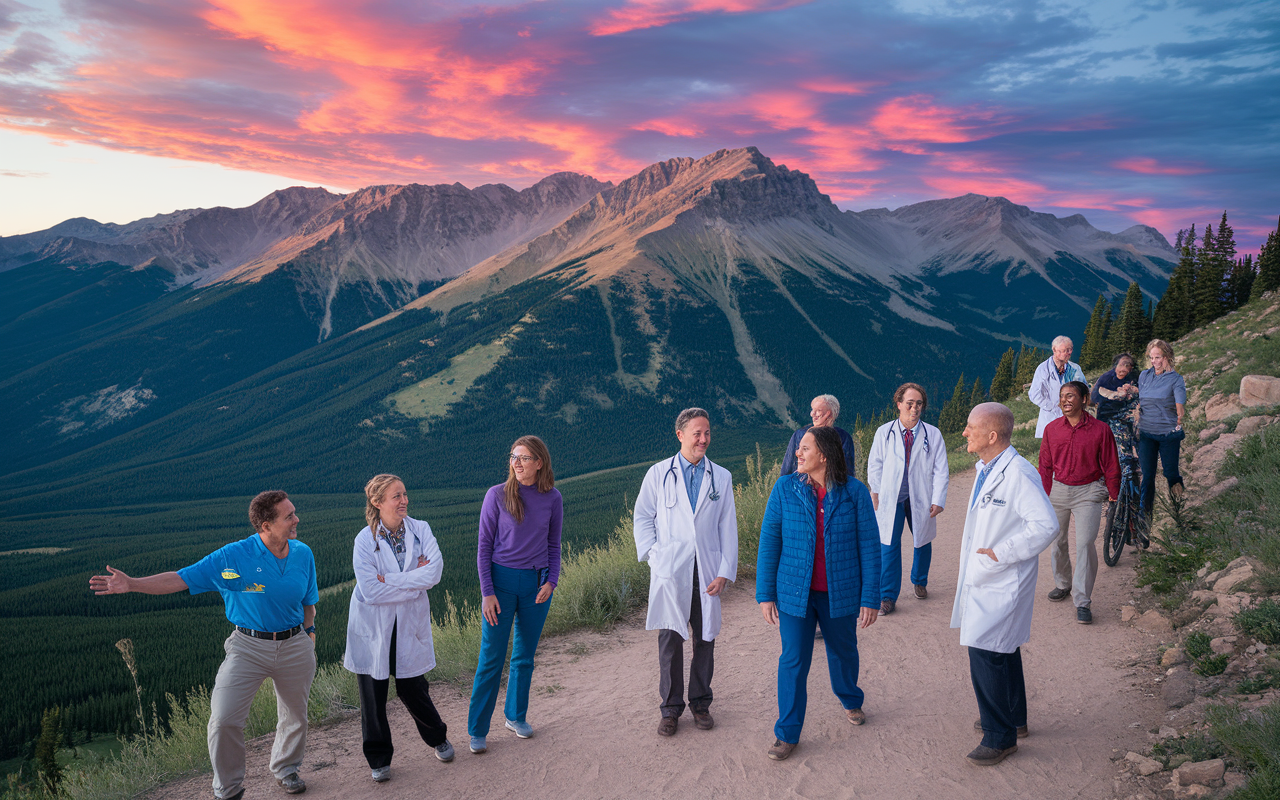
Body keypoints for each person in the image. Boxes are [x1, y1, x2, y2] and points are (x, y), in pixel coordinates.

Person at [90, 491, 318, 799]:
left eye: (294, 513)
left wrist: (310, 634)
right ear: (266, 525)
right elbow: (181, 578)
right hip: (247, 646)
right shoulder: (231, 557)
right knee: (223, 719)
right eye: (289, 516)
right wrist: (132, 584)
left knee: (295, 714)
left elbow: (308, 602)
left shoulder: (303, 553)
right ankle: (229, 788)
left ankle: (286, 769)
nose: (296, 520)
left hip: (294, 644)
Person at [757, 426, 881, 761]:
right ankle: (787, 733)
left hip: (839, 592)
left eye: (805, 448)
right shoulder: (784, 489)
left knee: (843, 651)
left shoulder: (855, 492)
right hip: (795, 593)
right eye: (799, 448)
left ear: (824, 455)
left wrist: (871, 596)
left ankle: (850, 698)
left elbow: (870, 547)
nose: (797, 453)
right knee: (793, 660)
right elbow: (770, 542)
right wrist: (765, 594)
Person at [951, 404, 1058, 767]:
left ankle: (999, 736)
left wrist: (1000, 553)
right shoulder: (987, 468)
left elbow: (1045, 525)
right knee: (1003, 648)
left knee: (985, 651)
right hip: (988, 576)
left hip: (1001, 576)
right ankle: (1015, 717)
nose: (964, 433)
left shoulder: (1018, 475)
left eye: (970, 428)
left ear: (992, 436)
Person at [633, 407, 739, 736]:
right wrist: (655, 557)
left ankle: (701, 703)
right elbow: (642, 517)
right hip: (672, 571)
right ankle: (670, 709)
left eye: (707, 433)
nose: (703, 439)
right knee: (670, 639)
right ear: (680, 435)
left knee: (705, 637)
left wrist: (724, 571)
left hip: (706, 570)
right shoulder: (658, 474)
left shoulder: (720, 477)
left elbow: (727, 527)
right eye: (697, 433)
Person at [344, 474, 452, 783]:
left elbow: (435, 572)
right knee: (372, 696)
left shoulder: (421, 529)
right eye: (396, 496)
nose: (404, 500)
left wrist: (390, 580)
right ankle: (378, 759)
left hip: (406, 624)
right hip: (373, 628)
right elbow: (369, 591)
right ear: (377, 503)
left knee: (413, 688)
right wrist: (413, 584)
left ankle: (438, 738)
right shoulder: (364, 540)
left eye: (404, 494)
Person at [467, 436, 563, 755]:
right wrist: (487, 592)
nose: (517, 463)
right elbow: (483, 547)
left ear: (539, 462)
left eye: (524, 457)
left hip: (537, 586)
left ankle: (515, 717)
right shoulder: (496, 495)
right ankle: (478, 730)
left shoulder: (553, 498)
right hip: (501, 583)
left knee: (524, 657)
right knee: (491, 657)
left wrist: (552, 582)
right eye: (513, 457)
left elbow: (553, 544)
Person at [1038, 382, 1121, 624]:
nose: (1065, 400)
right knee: (1058, 540)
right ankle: (1063, 584)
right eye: (1062, 396)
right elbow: (1045, 465)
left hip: (1089, 491)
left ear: (1084, 399)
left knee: (1084, 543)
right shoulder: (1052, 429)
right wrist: (1043, 495)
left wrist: (1113, 495)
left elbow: (1111, 465)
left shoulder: (1100, 430)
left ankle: (1082, 600)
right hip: (1059, 490)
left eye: (1071, 396)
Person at [867, 383, 949, 614]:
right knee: (888, 545)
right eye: (910, 403)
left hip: (920, 497)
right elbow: (875, 464)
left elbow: (941, 470)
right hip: (891, 498)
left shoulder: (932, 434)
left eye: (919, 404)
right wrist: (875, 491)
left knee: (922, 541)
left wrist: (938, 498)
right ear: (899, 404)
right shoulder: (885, 432)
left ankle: (919, 580)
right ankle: (887, 596)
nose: (914, 409)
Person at [1093, 353, 1147, 549]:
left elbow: (1146, 398)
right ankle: (1114, 508)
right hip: (1110, 424)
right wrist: (1115, 394)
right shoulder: (1106, 378)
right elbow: (1095, 397)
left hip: (1131, 426)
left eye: (1129, 365)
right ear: (1115, 364)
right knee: (1120, 467)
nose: (1124, 368)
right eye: (1122, 364)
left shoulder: (1136, 380)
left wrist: (1133, 391)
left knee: (1135, 474)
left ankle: (1135, 529)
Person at [1136, 339, 1187, 516]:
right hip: (1147, 433)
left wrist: (1179, 414)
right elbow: (1141, 400)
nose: (1154, 361)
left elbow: (1180, 404)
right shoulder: (1144, 376)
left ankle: (1178, 509)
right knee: (1147, 476)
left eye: (1157, 357)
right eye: (1151, 357)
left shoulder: (1176, 380)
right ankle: (1145, 516)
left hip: (1168, 434)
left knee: (1170, 473)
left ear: (1167, 357)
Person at [780, 394, 857, 477]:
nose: (812, 414)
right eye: (813, 409)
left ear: (830, 414)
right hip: (799, 487)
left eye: (818, 410)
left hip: (832, 487)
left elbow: (847, 472)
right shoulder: (799, 434)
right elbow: (787, 469)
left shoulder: (843, 437)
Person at [1029, 336, 1087, 438]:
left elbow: (1084, 389)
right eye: (1065, 350)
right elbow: (1034, 394)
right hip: (1050, 417)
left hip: (1072, 416)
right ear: (1054, 350)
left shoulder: (1075, 368)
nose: (1068, 353)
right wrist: (1052, 405)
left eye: (1070, 349)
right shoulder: (1043, 369)